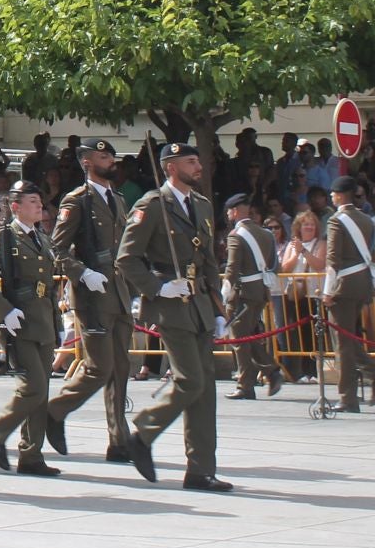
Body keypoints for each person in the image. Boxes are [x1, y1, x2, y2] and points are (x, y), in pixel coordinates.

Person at [116, 142, 231, 493]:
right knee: (190, 380)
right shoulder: (152, 205)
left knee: (205, 389)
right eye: (190, 162)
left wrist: (218, 307)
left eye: (198, 160)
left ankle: (201, 470)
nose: (198, 167)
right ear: (170, 167)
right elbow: (127, 258)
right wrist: (158, 287)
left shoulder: (202, 205)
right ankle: (144, 431)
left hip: (199, 304)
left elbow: (208, 259)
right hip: (171, 303)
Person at [45, 138, 132, 462]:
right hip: (92, 294)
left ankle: (119, 440)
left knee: (120, 369)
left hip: (119, 291)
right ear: (87, 162)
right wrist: (82, 273)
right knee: (99, 368)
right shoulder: (77, 200)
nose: (110, 161)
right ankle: (53, 411)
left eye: (111, 156)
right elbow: (57, 249)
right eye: (103, 156)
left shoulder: (118, 200)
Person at [0, 180, 61, 477]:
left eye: (40, 201)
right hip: (19, 322)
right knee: (34, 386)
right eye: (32, 201)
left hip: (43, 321)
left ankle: (31, 454)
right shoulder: (4, 237)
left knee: (42, 390)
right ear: (15, 207)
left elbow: (49, 287)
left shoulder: (42, 238)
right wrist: (4, 310)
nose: (39, 206)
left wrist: (57, 323)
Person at [322, 176, 375, 413]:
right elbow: (371, 255)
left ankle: (348, 397)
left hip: (343, 285)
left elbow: (333, 259)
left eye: (333, 193)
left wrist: (327, 291)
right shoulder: (366, 220)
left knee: (342, 343)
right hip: (362, 283)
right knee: (348, 338)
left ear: (340, 195)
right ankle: (373, 374)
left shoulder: (336, 221)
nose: (331, 196)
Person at [221, 192, 284, 399]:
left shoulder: (235, 235)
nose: (228, 214)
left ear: (235, 211)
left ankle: (246, 385)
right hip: (260, 291)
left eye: (229, 211)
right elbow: (274, 264)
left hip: (243, 294)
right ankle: (270, 372)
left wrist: (224, 294)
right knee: (247, 336)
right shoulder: (266, 234)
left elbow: (232, 268)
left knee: (239, 338)